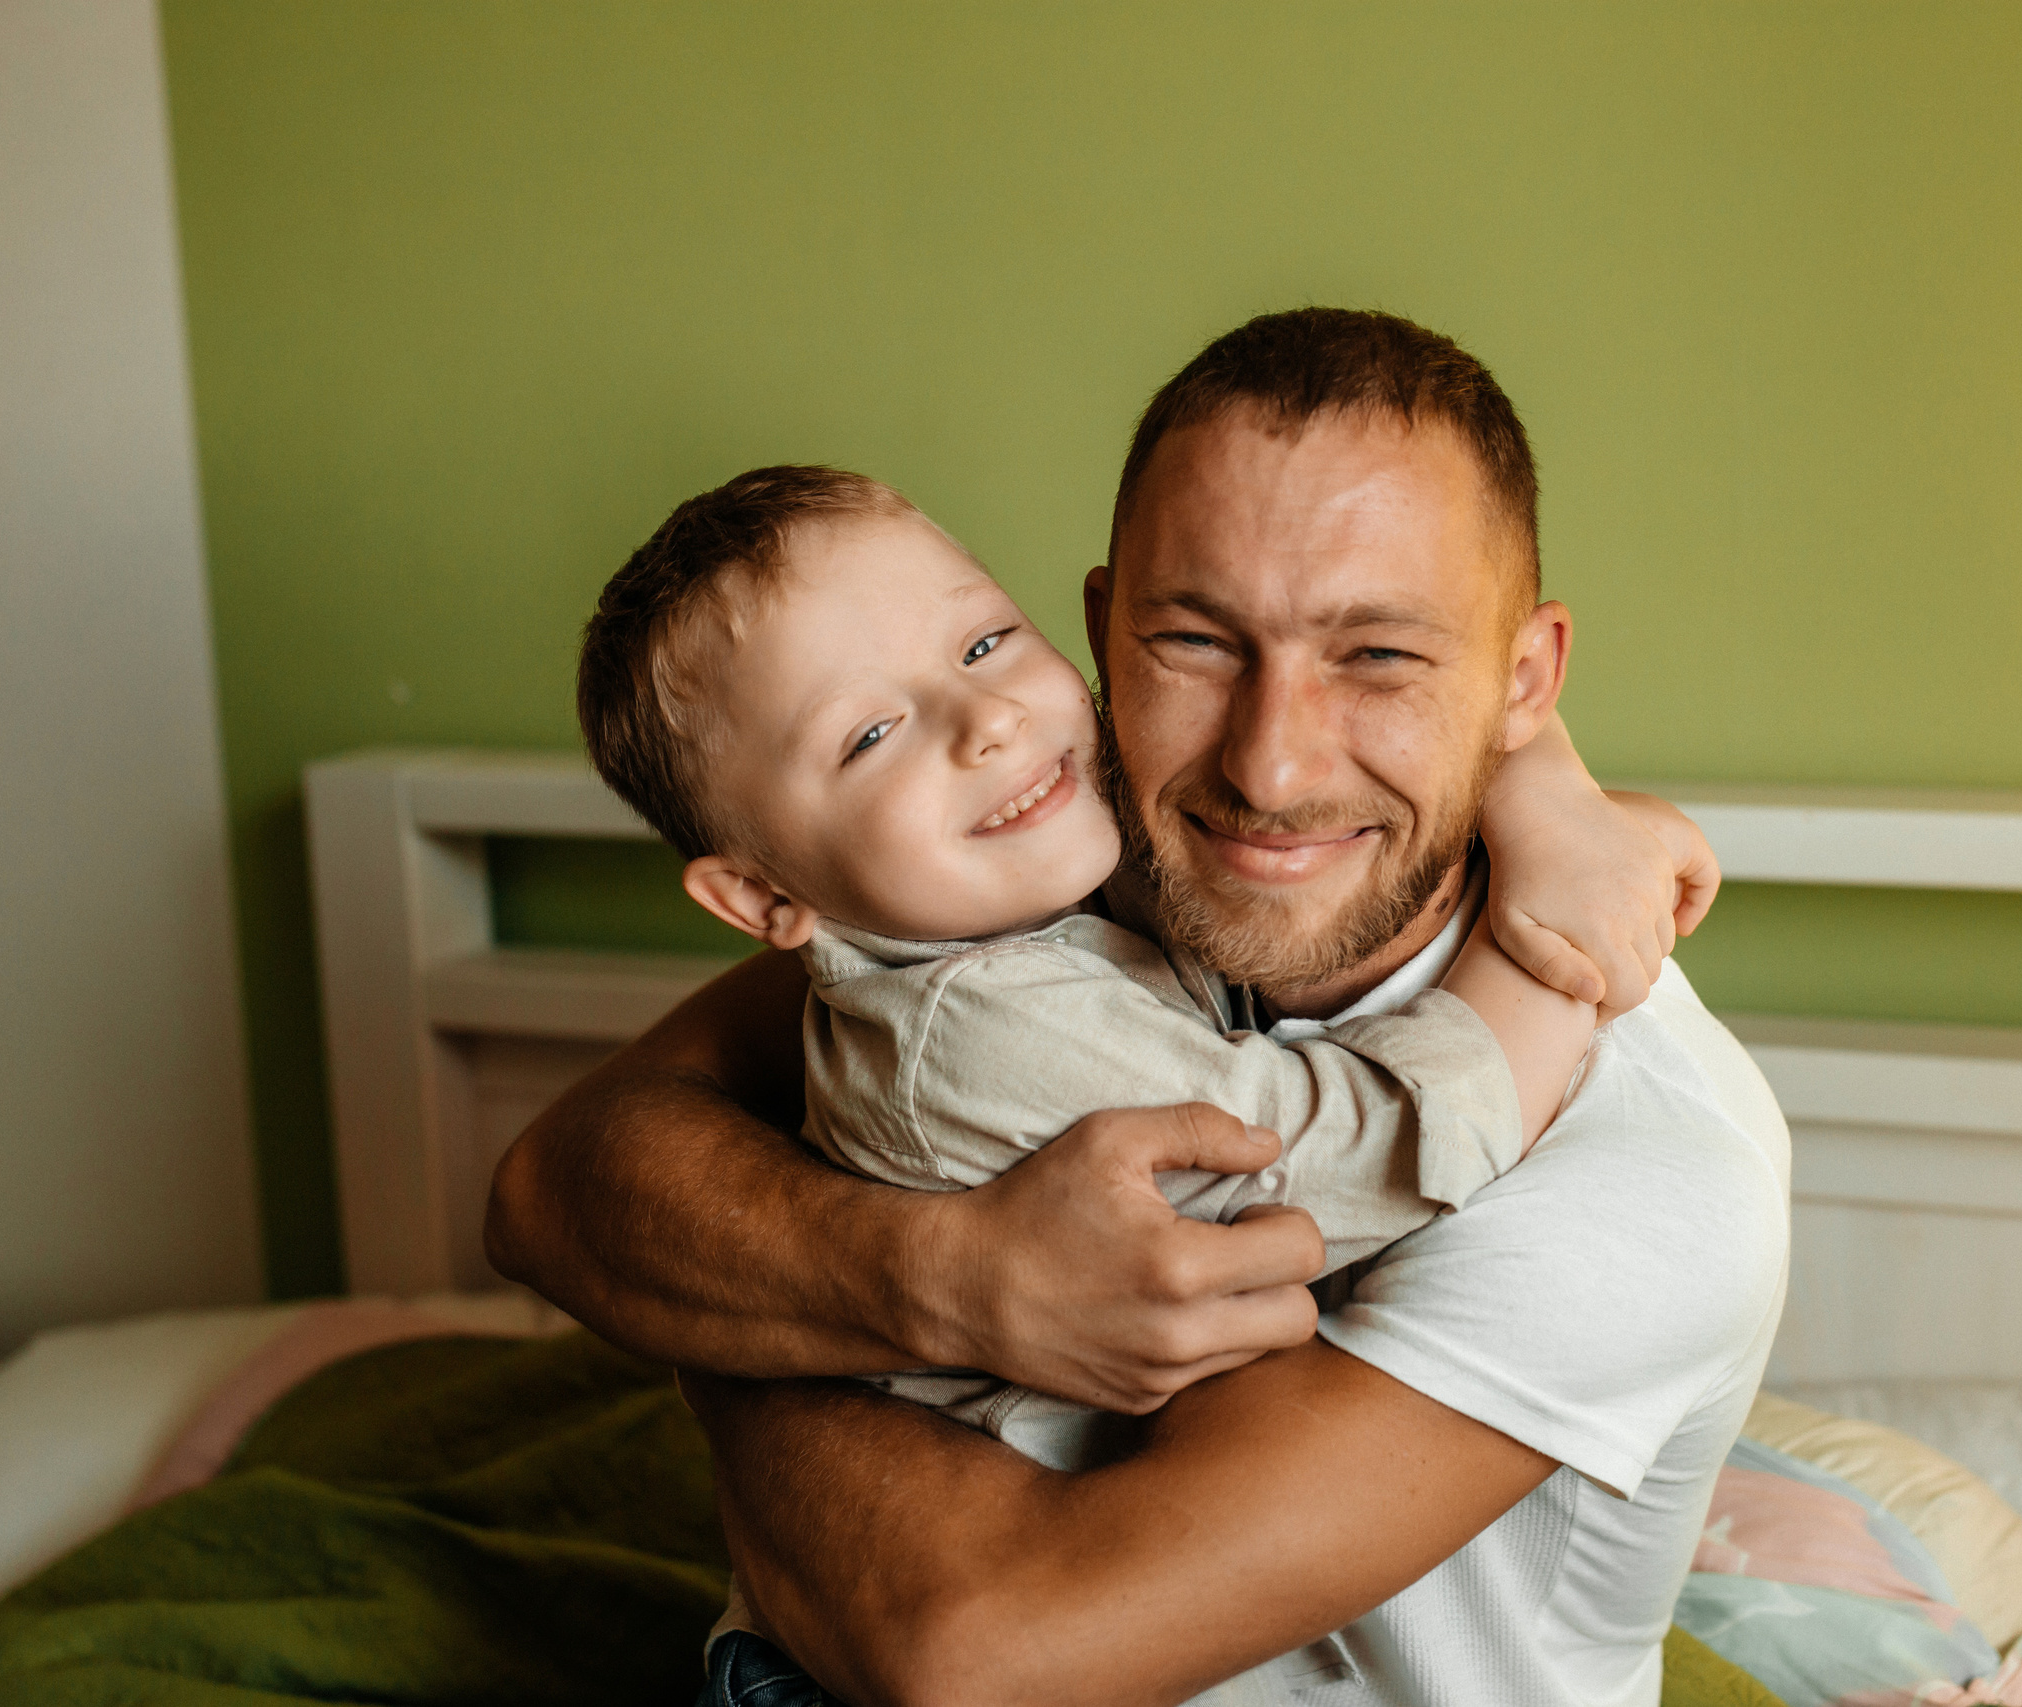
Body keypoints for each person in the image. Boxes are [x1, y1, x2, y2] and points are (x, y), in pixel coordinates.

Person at [487, 308, 1792, 1707]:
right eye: (1196, 641)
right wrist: (945, 1279)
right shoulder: (1057, 885)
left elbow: (974, 1655)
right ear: (1103, 632)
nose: (1273, 770)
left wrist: (746, 1310)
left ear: (1523, 680)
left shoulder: (1647, 1174)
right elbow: (552, 1188)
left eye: (1381, 659)